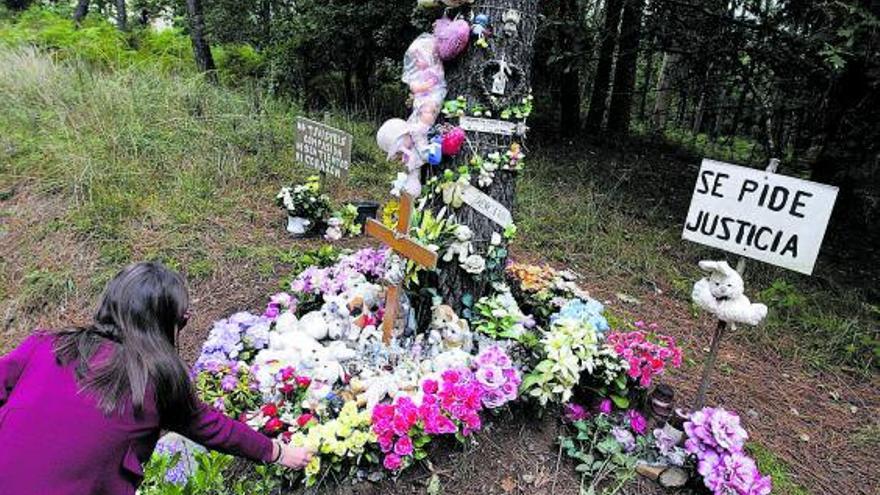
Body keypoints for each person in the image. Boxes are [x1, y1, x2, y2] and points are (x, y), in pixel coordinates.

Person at [0, 262, 312, 494]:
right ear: (166, 322)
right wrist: (278, 452)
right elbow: (213, 428)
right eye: (183, 319)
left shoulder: (47, 345)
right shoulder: (156, 381)